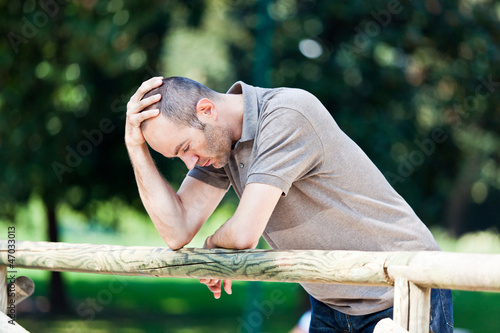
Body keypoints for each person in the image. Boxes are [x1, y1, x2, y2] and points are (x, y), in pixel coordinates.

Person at [125, 76, 454, 333]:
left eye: (186, 147)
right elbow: (176, 230)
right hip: (332, 298)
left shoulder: (286, 114)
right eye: (178, 155)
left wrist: (213, 245)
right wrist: (134, 145)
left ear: (207, 111)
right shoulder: (220, 146)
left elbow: (243, 235)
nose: (190, 162)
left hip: (400, 288)